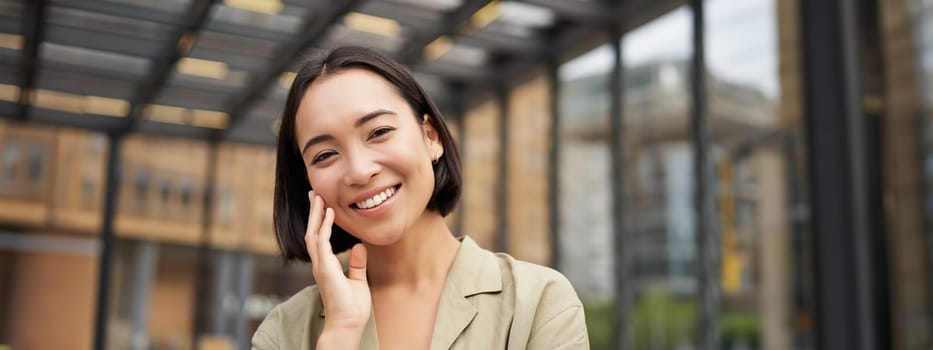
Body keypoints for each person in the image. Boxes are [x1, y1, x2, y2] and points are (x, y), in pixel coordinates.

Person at [252, 46, 589, 350]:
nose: (358, 171)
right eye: (325, 155)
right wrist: (341, 333)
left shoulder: (538, 303)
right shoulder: (283, 334)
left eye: (379, 132)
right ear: (307, 182)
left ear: (431, 137)